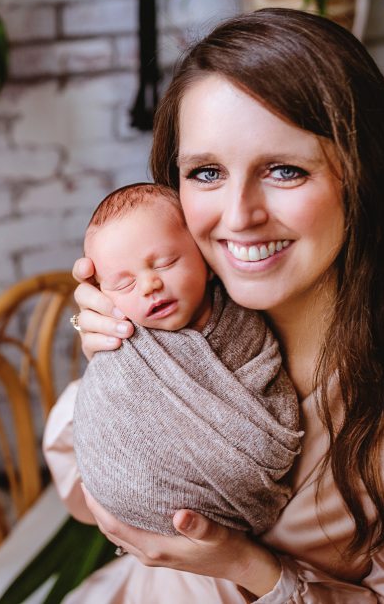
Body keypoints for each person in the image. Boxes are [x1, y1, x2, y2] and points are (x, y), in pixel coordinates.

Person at [42, 8, 384, 603]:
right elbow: (83, 493)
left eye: (285, 170)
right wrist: (119, 363)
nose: (239, 215)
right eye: (206, 172)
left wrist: (245, 565)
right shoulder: (174, 320)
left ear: (364, 177)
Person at [74, 182, 302, 537]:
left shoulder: (242, 322)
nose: (149, 285)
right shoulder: (122, 347)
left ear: (207, 262)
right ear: (102, 296)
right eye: (123, 284)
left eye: (165, 263)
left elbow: (267, 377)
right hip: (142, 511)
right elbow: (105, 422)